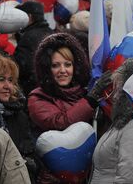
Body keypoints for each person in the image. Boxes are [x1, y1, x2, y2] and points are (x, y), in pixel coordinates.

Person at [27, 33, 112, 183]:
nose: (63, 70)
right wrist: (90, 101)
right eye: (55, 65)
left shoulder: (85, 92)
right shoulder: (37, 98)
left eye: (68, 64)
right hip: (56, 177)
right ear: (46, 69)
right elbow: (60, 122)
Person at [14, 0, 53, 95]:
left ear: (29, 17)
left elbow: (21, 68)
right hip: (51, 87)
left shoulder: (28, 38)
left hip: (34, 90)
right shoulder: (52, 33)